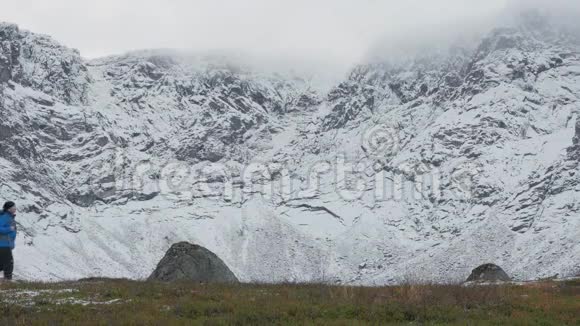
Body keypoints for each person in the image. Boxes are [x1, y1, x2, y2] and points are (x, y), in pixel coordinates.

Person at [0, 201, 17, 280]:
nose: (15, 208)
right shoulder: (5, 217)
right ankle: (8, 280)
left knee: (2, 264)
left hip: (6, 244)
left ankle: (7, 279)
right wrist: (9, 229)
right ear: (9, 209)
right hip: (3, 244)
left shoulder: (9, 217)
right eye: (13, 207)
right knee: (9, 263)